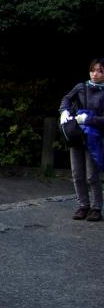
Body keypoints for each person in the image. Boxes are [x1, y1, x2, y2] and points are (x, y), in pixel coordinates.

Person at [59, 58, 104, 221]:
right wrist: (64, 110)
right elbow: (66, 98)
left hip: (95, 137)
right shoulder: (81, 86)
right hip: (77, 134)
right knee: (77, 173)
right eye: (93, 70)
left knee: (92, 175)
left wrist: (89, 120)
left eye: (100, 71)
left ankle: (96, 207)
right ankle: (83, 205)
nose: (95, 74)